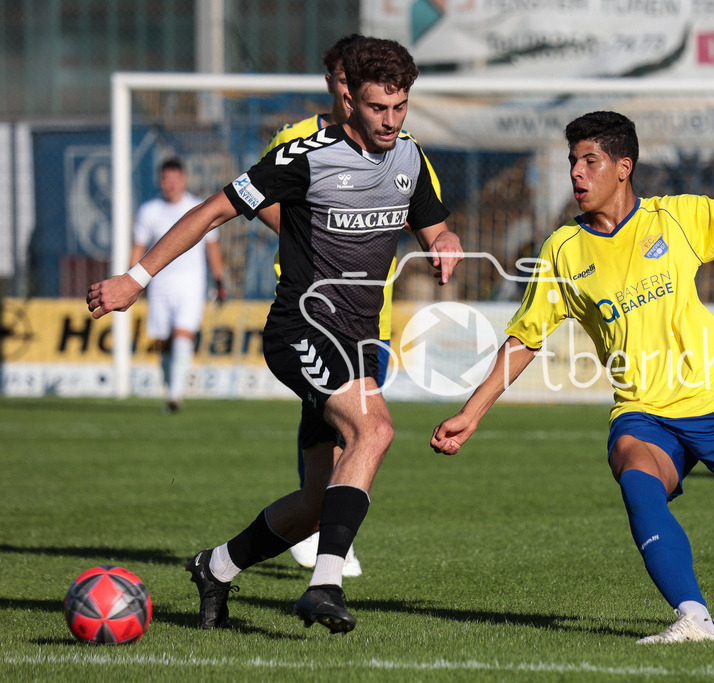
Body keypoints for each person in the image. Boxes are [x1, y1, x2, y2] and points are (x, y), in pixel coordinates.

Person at [431, 111, 714, 643]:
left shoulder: (677, 218)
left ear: (623, 168)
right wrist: (471, 413)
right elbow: (526, 338)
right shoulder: (562, 250)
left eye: (590, 161)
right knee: (636, 479)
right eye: (573, 161)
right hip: (643, 410)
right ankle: (695, 618)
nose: (576, 172)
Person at [88, 37, 463, 634]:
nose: (391, 121)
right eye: (378, 108)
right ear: (349, 101)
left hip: (360, 339)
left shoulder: (410, 159)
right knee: (376, 429)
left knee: (316, 503)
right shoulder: (304, 157)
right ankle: (325, 585)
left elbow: (434, 228)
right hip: (302, 329)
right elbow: (212, 211)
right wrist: (136, 279)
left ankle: (216, 566)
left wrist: (444, 241)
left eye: (400, 107)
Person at [257, 33, 443, 575]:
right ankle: (330, 552)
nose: (348, 92)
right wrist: (311, 237)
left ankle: (298, 530)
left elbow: (422, 211)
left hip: (369, 316)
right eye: (343, 81)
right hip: (309, 311)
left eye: (396, 103)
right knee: (363, 426)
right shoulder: (298, 141)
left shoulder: (402, 147)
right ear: (338, 86)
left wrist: (440, 241)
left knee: (345, 426)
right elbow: (257, 199)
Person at [130, 158, 226, 414]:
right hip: (159, 285)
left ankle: (175, 395)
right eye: (166, 179)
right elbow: (138, 248)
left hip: (191, 284)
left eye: (175, 179)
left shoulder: (199, 208)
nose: (171, 184)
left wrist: (219, 280)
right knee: (164, 341)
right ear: (160, 181)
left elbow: (212, 247)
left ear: (184, 180)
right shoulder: (149, 211)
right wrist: (132, 282)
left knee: (183, 334)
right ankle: (171, 386)